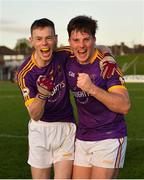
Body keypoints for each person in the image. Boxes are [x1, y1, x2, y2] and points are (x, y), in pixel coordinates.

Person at [17, 18, 117, 179]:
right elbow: (34, 115)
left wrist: (108, 56)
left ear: (55, 39)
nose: (45, 43)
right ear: (31, 41)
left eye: (49, 38)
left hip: (66, 128)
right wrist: (42, 94)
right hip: (40, 129)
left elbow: (96, 47)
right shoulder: (25, 73)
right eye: (39, 39)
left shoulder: (63, 53)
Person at [66, 15, 131, 179]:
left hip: (109, 136)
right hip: (83, 137)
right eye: (76, 40)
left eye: (86, 39)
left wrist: (91, 89)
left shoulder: (107, 65)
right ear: (69, 42)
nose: (81, 45)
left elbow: (124, 105)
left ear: (94, 39)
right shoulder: (67, 58)